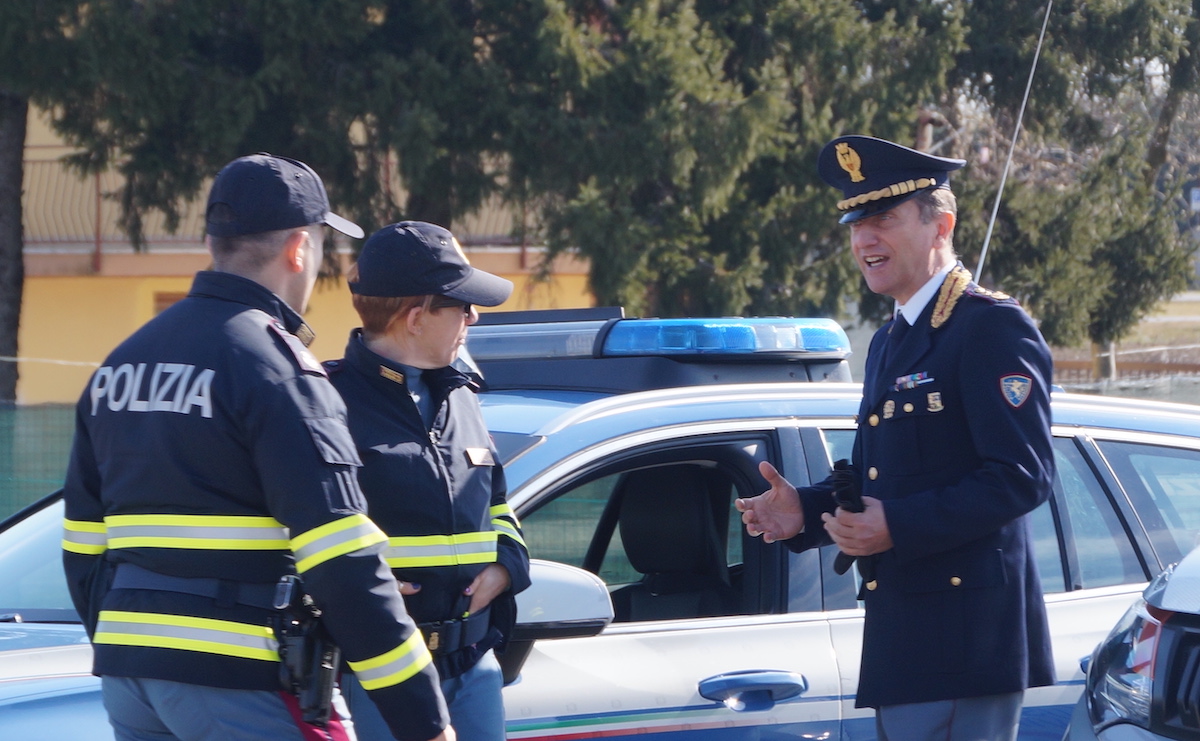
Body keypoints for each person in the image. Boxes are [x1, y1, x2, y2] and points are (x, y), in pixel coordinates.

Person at [61, 154, 452, 741]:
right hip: (243, 678)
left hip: (131, 675)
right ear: (299, 248)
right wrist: (425, 723)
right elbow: (342, 558)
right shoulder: (277, 369)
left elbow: (83, 548)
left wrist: (141, 651)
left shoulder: (121, 364)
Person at [737, 135, 1056, 740]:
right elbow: (889, 482)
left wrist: (897, 526)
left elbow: (1022, 476)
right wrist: (803, 510)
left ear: (942, 226)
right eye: (856, 223)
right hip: (906, 640)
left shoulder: (990, 328)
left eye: (883, 219)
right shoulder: (891, 339)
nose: (863, 240)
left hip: (965, 645)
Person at [326, 221, 531, 741]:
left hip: (473, 664)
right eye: (461, 306)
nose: (473, 317)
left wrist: (507, 566)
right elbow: (292, 528)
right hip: (377, 674)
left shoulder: (461, 396)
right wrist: (354, 588)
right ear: (415, 318)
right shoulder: (326, 404)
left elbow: (499, 505)